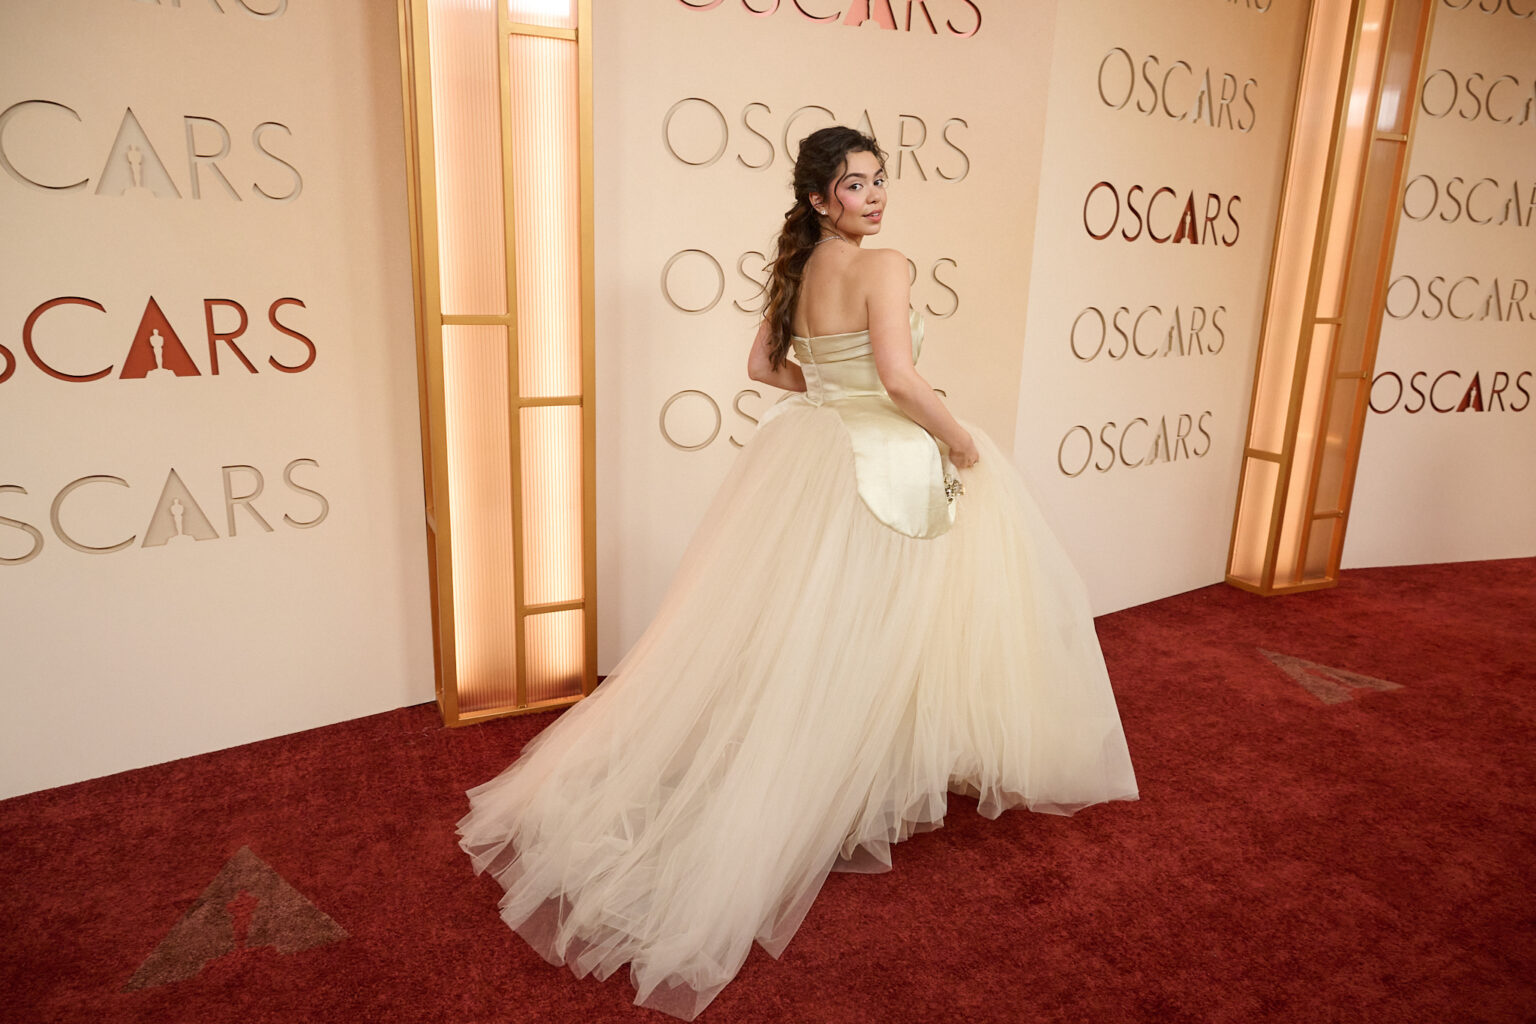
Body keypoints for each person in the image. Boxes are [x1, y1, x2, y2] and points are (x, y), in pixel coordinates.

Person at [456, 125, 1138, 1020]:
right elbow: (898, 377)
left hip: (817, 453)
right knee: (888, 626)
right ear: (822, 199)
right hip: (888, 460)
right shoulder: (885, 265)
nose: (877, 195)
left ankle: (839, 767)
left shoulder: (800, 268)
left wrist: (830, 396)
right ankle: (843, 783)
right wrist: (960, 438)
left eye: (880, 179)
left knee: (818, 627)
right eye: (857, 185)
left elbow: (761, 366)